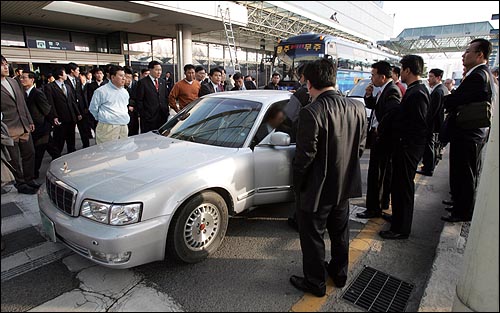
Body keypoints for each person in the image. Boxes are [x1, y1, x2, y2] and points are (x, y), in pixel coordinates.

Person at [290, 59, 367, 297]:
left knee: (313, 238)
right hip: (344, 185)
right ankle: (340, 273)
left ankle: (315, 283)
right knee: (340, 232)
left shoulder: (311, 112)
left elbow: (305, 157)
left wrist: (297, 185)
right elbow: (360, 147)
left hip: (317, 189)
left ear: (310, 83)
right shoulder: (357, 108)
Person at [441, 39, 494, 223]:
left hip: (468, 133)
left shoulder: (478, 76)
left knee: (465, 173)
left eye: (468, 51)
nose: (464, 55)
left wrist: (447, 100)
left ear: (480, 55)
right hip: (470, 132)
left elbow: (457, 100)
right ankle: (459, 204)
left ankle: (462, 211)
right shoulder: (481, 74)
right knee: (462, 171)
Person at [380, 55, 430, 240]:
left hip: (408, 147)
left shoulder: (417, 93)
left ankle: (401, 228)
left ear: (408, 70)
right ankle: (398, 218)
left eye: (401, 68)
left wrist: (403, 142)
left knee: (404, 187)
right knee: (398, 185)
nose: (399, 72)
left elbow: (418, 125)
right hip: (405, 145)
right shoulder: (414, 90)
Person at [356, 61, 402, 219]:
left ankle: (373, 208)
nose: (371, 78)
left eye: (373, 75)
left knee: (377, 174)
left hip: (383, 139)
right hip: (380, 138)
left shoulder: (392, 91)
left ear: (382, 77)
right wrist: (368, 95)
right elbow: (375, 107)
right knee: (381, 173)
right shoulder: (384, 90)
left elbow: (392, 113)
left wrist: (379, 129)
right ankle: (381, 202)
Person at [1, 56, 39, 194]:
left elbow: (22, 103)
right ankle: (21, 184)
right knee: (15, 159)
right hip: (8, 129)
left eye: (6, 64)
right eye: (2, 65)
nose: (6, 67)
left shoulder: (14, 82)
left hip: (23, 126)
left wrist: (29, 120)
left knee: (30, 153)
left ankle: (29, 180)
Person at [21, 71, 52, 179]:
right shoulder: (23, 94)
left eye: (24, 78)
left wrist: (49, 124)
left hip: (42, 128)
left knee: (38, 152)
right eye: (21, 78)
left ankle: (34, 174)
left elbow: (47, 109)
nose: (22, 80)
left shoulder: (37, 93)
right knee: (52, 149)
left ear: (32, 80)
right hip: (35, 129)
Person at [418, 68, 449, 176]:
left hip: (433, 125)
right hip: (438, 125)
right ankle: (429, 166)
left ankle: (428, 168)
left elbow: (432, 112)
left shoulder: (438, 91)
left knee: (430, 147)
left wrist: (425, 124)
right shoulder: (443, 89)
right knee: (433, 146)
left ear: (438, 78)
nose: (429, 79)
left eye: (431, 76)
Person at [45, 67, 82, 158]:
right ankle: (57, 157)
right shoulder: (50, 87)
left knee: (71, 139)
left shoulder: (67, 86)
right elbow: (50, 103)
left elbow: (72, 101)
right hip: (60, 117)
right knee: (59, 140)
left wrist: (78, 113)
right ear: (59, 75)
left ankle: (72, 155)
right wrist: (54, 116)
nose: (66, 75)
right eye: (65, 73)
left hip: (71, 117)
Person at [89, 65, 130, 144]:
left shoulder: (125, 92)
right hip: (107, 127)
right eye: (121, 76)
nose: (124, 78)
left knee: (122, 153)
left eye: (124, 76)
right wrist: (102, 118)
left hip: (123, 126)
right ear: (113, 77)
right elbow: (93, 108)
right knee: (107, 153)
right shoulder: (101, 91)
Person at [135, 61, 170, 133]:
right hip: (148, 119)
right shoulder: (142, 82)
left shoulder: (162, 82)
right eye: (157, 70)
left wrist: (166, 110)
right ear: (150, 70)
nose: (159, 72)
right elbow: (139, 100)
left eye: (160, 70)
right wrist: (144, 114)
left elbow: (166, 97)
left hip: (162, 116)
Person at [66, 62, 90, 148]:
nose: (79, 72)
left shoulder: (78, 79)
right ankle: (71, 149)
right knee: (70, 132)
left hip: (81, 108)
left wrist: (85, 107)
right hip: (70, 110)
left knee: (83, 129)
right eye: (77, 70)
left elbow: (81, 94)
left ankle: (86, 146)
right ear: (72, 71)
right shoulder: (65, 81)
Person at [123, 67, 139, 136]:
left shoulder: (138, 84)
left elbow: (139, 98)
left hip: (134, 115)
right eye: (126, 77)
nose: (128, 80)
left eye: (129, 77)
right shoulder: (119, 87)